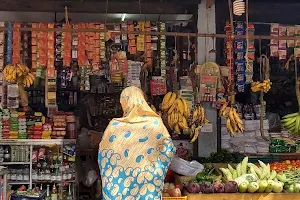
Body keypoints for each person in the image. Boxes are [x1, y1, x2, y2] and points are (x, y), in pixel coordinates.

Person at [98, 86, 175, 200]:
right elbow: (169, 150)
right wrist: (154, 170)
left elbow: (104, 155)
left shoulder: (114, 126)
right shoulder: (155, 123)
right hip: (148, 186)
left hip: (118, 189)